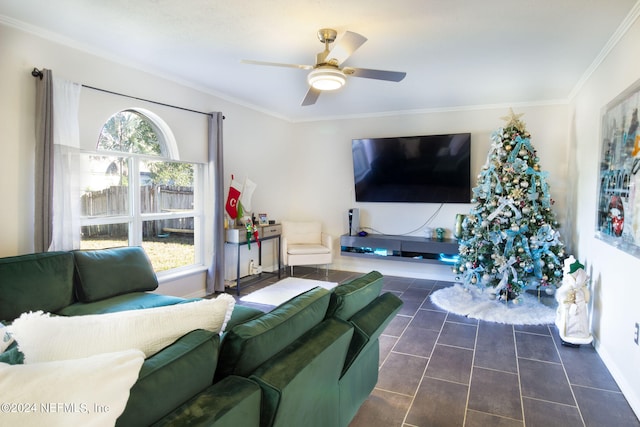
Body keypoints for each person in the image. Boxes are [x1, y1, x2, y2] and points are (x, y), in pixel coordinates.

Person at [555, 256, 593, 346]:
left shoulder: (576, 289)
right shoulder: (571, 286)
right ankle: (568, 335)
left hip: (574, 309)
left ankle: (574, 338)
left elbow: (583, 299)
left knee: (574, 322)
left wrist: (571, 304)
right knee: (568, 321)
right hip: (569, 307)